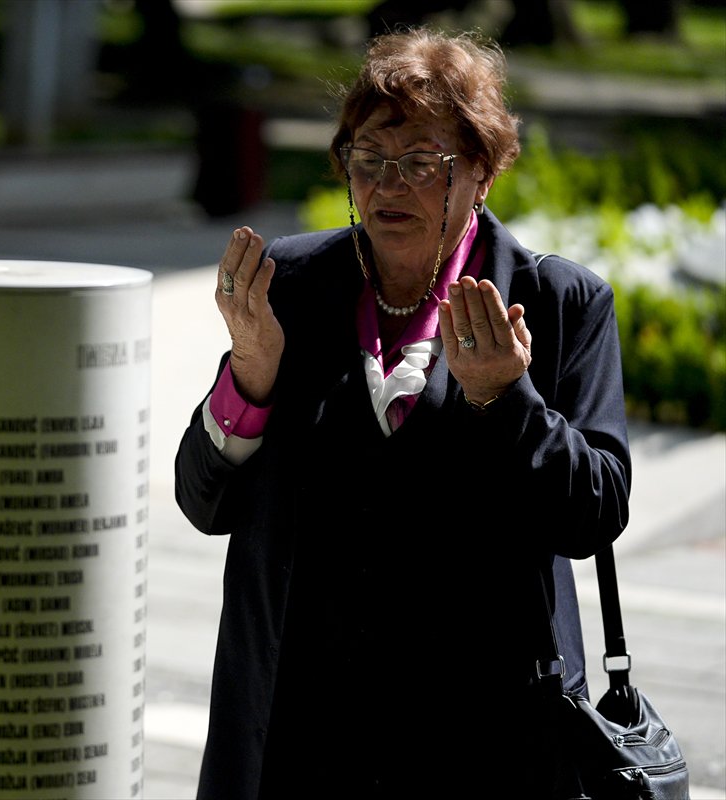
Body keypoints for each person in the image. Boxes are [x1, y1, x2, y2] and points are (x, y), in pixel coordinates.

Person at [174, 28, 631, 798]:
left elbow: (593, 515)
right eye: (368, 160)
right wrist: (250, 377)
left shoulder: (557, 305)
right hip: (300, 734)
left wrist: (506, 400)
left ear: (482, 170)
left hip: (483, 741)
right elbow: (203, 501)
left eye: (422, 162)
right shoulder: (292, 286)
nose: (389, 185)